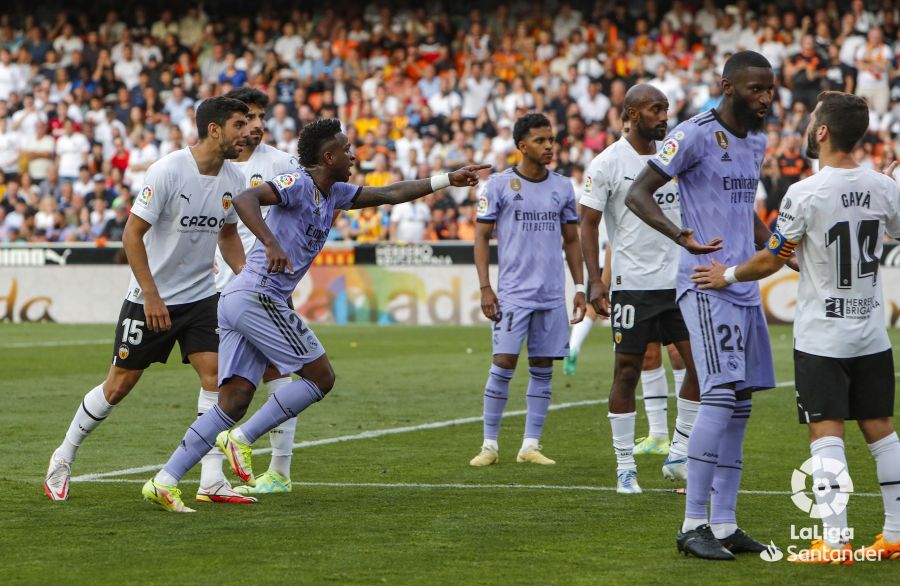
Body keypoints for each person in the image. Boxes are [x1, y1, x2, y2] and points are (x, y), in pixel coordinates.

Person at [141, 118, 487, 512]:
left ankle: (164, 480)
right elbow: (246, 199)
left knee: (233, 400)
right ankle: (241, 438)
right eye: (346, 150)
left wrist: (447, 179)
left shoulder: (335, 193)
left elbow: (390, 193)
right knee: (320, 377)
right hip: (258, 294)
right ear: (328, 156)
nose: (353, 156)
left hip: (242, 299)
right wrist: (270, 243)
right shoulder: (299, 183)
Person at [692, 91, 900, 563]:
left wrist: (726, 274)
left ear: (822, 131)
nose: (807, 127)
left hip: (822, 335)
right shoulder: (883, 186)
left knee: (825, 433)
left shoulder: (804, 193)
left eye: (811, 121)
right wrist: (883, 190)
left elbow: (772, 259)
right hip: (871, 332)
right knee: (881, 431)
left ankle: (835, 542)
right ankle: (893, 534)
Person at [43, 96, 252, 505]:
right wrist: (152, 295)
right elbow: (131, 234)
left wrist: (247, 277)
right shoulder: (168, 170)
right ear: (214, 130)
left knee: (216, 379)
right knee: (118, 386)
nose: (246, 133)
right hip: (149, 298)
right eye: (238, 126)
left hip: (200, 297)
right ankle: (63, 456)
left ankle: (211, 479)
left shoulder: (234, 178)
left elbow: (227, 236)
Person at [624, 51, 779, 560]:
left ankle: (726, 523)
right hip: (705, 284)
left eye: (770, 89)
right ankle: (693, 525)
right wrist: (680, 236)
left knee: (741, 402)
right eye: (756, 89)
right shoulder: (691, 134)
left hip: (743, 283)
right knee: (718, 395)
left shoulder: (756, 139)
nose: (765, 98)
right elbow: (638, 194)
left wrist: (779, 249)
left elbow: (743, 208)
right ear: (727, 87)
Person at [580, 84, 700, 493]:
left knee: (701, 367)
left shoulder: (675, 157)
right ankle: (625, 466)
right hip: (633, 285)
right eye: (655, 109)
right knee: (627, 371)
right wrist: (595, 279)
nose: (664, 117)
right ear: (632, 114)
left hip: (679, 283)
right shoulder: (607, 163)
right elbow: (588, 223)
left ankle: (679, 452)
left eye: (666, 109)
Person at [468, 112, 586, 468]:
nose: (549, 146)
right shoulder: (498, 185)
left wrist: (580, 286)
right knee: (503, 363)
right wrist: (485, 287)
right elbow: (481, 236)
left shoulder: (563, 187)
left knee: (542, 367)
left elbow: (572, 240)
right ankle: (489, 445)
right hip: (513, 294)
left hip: (551, 294)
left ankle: (530, 445)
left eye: (551, 140)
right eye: (540, 140)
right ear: (522, 145)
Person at [212, 87, 300, 496]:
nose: (258, 124)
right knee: (221, 380)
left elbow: (316, 205)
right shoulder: (214, 166)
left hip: (269, 285)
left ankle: (279, 469)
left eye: (262, 116)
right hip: (219, 287)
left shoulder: (281, 163)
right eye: (248, 117)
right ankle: (214, 476)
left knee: (278, 371)